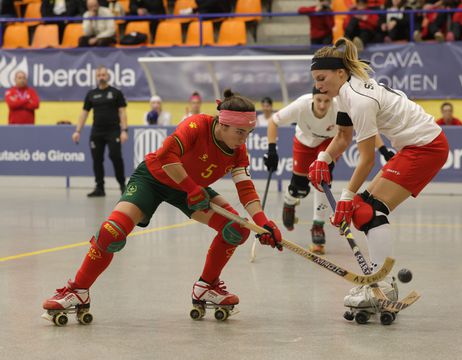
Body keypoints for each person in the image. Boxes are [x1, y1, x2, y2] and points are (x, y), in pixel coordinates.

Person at [42, 90, 283, 321]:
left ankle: (206, 286)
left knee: (236, 229)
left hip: (191, 189)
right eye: (240, 132)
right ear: (222, 124)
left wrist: (263, 223)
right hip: (154, 179)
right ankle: (76, 291)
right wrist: (191, 188)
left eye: (248, 133)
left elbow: (246, 189)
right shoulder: (197, 125)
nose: (244, 140)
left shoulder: (238, 151)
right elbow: (167, 157)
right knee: (111, 233)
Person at [308, 38, 449, 309]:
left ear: (340, 73)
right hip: (414, 146)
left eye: (322, 78)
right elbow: (342, 137)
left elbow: (367, 158)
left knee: (369, 211)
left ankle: (381, 286)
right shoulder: (344, 94)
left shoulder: (359, 99)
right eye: (315, 79)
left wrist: (346, 196)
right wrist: (322, 158)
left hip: (425, 147)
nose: (318, 85)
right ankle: (379, 282)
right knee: (363, 210)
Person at [264, 87, 394, 255]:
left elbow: (365, 128)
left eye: (326, 101)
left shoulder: (339, 107)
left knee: (322, 181)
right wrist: (272, 149)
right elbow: (273, 122)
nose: (322, 105)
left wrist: (383, 150)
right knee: (300, 189)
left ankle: (318, 226)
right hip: (305, 142)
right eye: (319, 100)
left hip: (329, 144)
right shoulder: (300, 105)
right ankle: (290, 201)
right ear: (312, 99)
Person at [72, 65, 128, 197]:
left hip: (113, 131)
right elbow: (84, 113)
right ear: (96, 77)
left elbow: (122, 112)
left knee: (115, 156)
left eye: (103, 75)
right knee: (97, 159)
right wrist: (77, 131)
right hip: (97, 132)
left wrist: (124, 130)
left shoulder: (116, 93)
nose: (101, 77)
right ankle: (100, 187)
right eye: (99, 75)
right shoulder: (91, 94)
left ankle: (122, 185)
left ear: (107, 76)